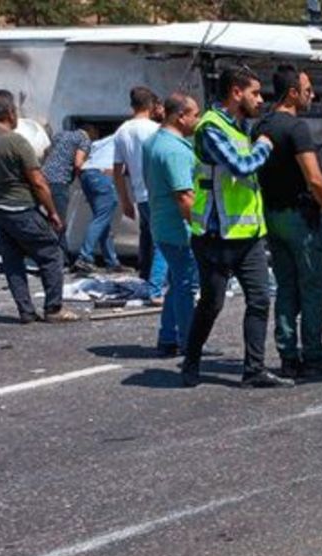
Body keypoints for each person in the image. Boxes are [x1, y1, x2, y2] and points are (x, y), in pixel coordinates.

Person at [183, 64, 288, 389]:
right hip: (216, 236)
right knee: (211, 304)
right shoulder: (211, 128)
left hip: (249, 236)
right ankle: (191, 360)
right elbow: (242, 167)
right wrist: (266, 146)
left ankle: (253, 369)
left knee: (259, 299)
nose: (260, 99)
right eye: (255, 93)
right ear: (236, 92)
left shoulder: (240, 128)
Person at [0, 89, 78, 324]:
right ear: (9, 112)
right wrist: (52, 213)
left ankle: (26, 311)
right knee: (51, 254)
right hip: (22, 209)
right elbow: (38, 182)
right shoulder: (17, 143)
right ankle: (53, 308)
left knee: (13, 261)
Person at [256, 64, 322, 379]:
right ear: (292, 92)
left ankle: (287, 354)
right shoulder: (296, 129)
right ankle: (314, 354)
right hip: (300, 217)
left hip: (272, 215)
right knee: (311, 286)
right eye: (308, 90)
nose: (313, 95)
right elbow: (315, 178)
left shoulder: (262, 126)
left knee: (285, 286)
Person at [142, 92, 203, 357]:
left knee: (177, 282)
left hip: (162, 224)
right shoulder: (174, 150)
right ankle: (189, 341)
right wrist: (201, 230)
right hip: (180, 229)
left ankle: (169, 337)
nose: (198, 121)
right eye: (195, 115)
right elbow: (185, 197)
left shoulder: (154, 142)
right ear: (181, 116)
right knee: (185, 285)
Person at [112, 86, 168, 305]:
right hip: (158, 192)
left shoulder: (122, 131)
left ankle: (145, 276)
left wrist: (125, 199)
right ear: (152, 106)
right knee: (163, 241)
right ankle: (155, 289)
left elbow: (118, 170)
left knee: (147, 236)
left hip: (139, 194)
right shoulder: (156, 130)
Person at [41, 123, 89, 257]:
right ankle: (58, 258)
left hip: (42, 178)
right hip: (58, 182)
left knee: (50, 219)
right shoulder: (84, 139)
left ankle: (61, 256)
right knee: (59, 222)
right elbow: (78, 163)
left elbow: (46, 152)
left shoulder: (60, 135)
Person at [77, 126, 121, 273]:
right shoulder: (127, 139)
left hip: (87, 174)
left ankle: (111, 261)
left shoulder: (103, 142)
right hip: (101, 174)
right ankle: (84, 257)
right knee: (102, 217)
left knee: (103, 219)